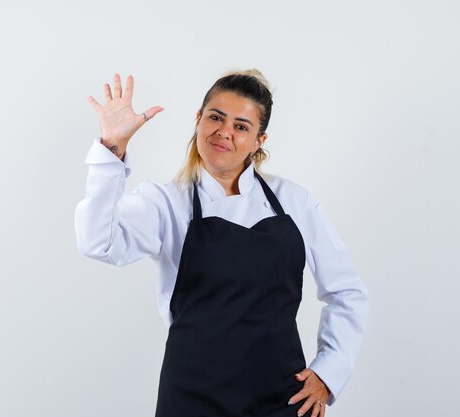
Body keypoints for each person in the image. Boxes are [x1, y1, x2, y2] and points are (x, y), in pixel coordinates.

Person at [75, 70, 369, 417]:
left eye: (241, 126)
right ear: (198, 120)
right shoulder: (166, 203)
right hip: (192, 399)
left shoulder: (294, 202)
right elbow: (98, 242)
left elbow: (347, 291)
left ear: (260, 140)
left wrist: (328, 373)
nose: (224, 132)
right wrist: (112, 149)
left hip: (283, 400)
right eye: (215, 117)